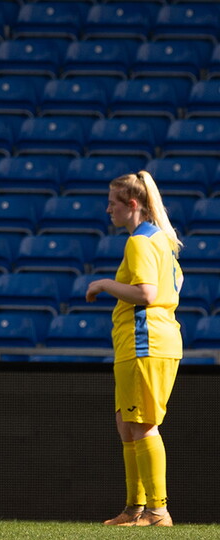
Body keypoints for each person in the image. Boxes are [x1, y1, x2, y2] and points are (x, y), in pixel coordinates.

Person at [86, 171, 183, 528]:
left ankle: (158, 512)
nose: (107, 209)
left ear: (132, 205)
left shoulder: (140, 243)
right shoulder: (161, 241)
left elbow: (147, 294)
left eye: (113, 202)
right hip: (145, 343)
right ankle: (135, 509)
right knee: (127, 425)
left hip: (147, 343)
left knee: (142, 426)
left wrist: (105, 283)